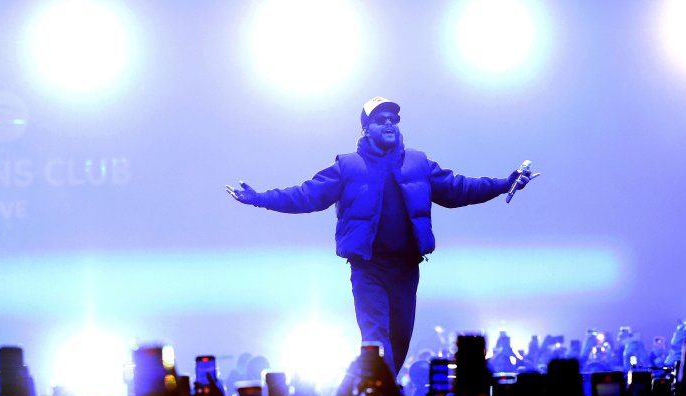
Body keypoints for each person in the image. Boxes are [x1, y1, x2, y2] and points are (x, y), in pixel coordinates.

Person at [226, 96, 539, 376]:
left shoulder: (418, 163)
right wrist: (260, 198)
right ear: (366, 129)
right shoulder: (348, 165)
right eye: (380, 119)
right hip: (369, 268)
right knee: (376, 338)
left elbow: (459, 188)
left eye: (393, 119)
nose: (389, 123)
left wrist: (502, 183)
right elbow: (307, 195)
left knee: (400, 339)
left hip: (406, 267)